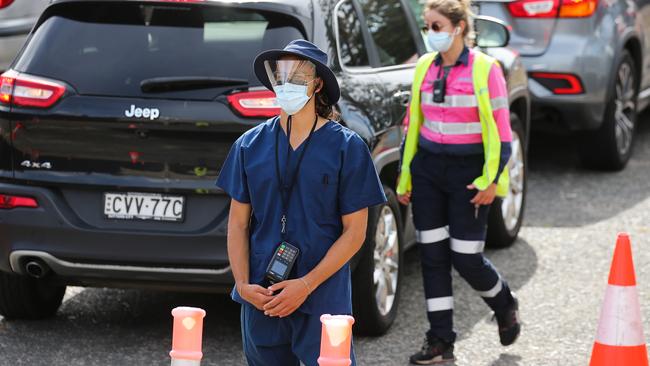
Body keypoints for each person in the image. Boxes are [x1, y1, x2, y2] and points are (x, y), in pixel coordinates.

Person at [216, 39, 386, 366]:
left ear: (317, 84)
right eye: (280, 78)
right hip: (262, 293)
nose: (286, 86)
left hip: (323, 293)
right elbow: (237, 224)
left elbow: (355, 233)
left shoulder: (347, 148)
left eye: (297, 78)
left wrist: (307, 284)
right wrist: (242, 283)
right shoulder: (248, 145)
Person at [396, 0, 522, 364]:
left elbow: (502, 133)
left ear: (459, 27)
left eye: (436, 26)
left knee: (466, 257)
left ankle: (504, 303)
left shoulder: (486, 69)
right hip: (428, 173)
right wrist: (406, 179)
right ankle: (440, 341)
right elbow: (412, 126)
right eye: (427, 26)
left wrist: (490, 181)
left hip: (470, 174)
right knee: (433, 257)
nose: (430, 33)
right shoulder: (424, 67)